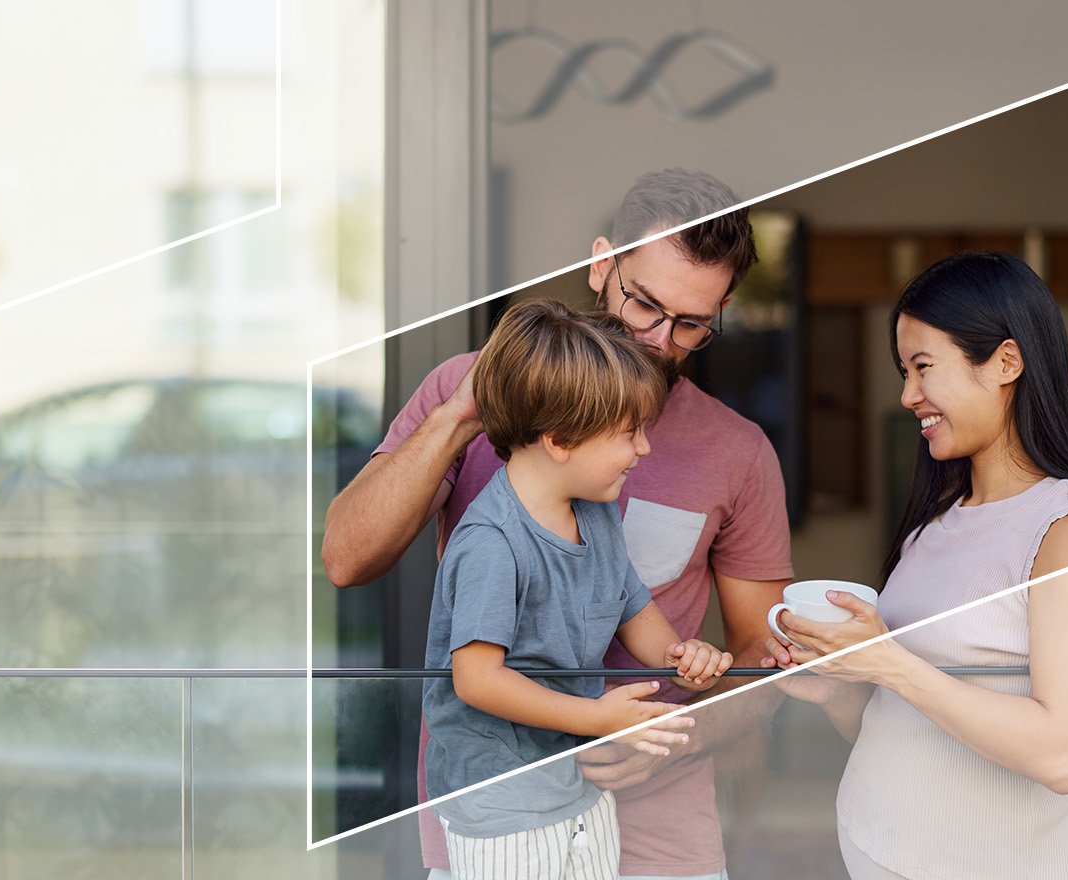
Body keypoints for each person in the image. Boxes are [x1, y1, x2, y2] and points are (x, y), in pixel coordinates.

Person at [322, 168, 793, 880]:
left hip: (662, 836)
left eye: (692, 323)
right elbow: (346, 560)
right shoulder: (469, 392)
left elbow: (763, 656)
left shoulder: (739, 451)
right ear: (603, 263)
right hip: (497, 827)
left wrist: (674, 734)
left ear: (721, 309)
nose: (660, 340)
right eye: (644, 305)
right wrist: (460, 417)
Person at [765, 251, 1068, 880]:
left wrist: (892, 664)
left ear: (1006, 363)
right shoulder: (936, 524)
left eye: (923, 368)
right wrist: (843, 692)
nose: (908, 395)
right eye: (903, 371)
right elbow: (912, 727)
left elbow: (1062, 753)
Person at [424, 300, 733, 879]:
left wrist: (678, 656)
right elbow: (476, 678)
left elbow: (631, 606)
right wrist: (596, 718)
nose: (643, 449)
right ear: (561, 439)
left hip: (578, 784)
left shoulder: (596, 513)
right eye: (629, 433)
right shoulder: (491, 543)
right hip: (502, 805)